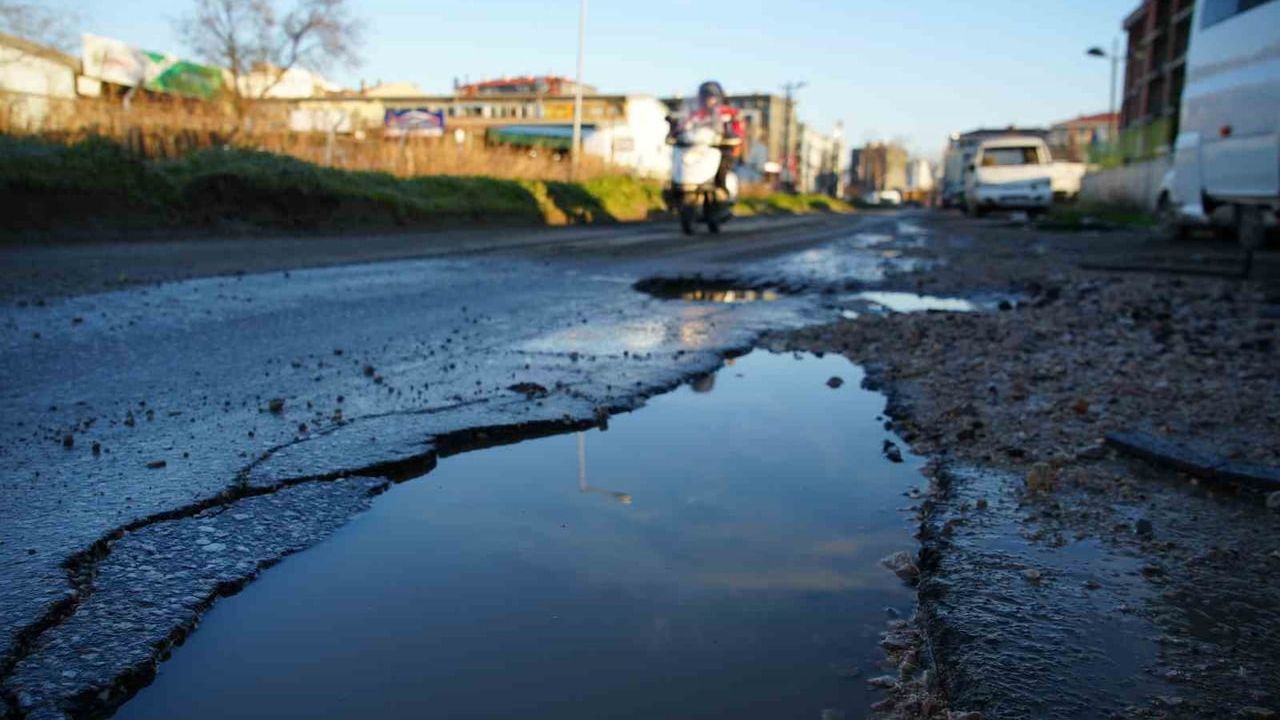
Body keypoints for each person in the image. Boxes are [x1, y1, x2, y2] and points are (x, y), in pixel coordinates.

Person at [674, 80, 744, 196]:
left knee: (726, 155)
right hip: (698, 147)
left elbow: (738, 128)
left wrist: (735, 134)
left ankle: (721, 186)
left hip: (720, 146)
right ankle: (676, 187)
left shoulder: (728, 112)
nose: (708, 100)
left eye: (711, 97)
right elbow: (684, 125)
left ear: (718, 98)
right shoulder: (697, 114)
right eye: (704, 97)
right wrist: (676, 132)